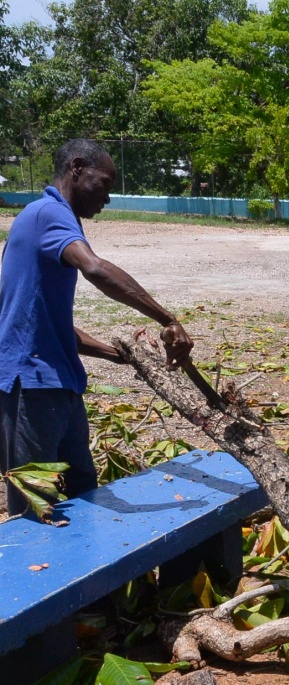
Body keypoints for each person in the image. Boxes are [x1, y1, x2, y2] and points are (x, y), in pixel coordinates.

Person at [0, 138, 194, 515]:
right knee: (36, 510)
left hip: (58, 385)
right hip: (33, 390)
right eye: (103, 184)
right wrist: (167, 318)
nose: (107, 198)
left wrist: (117, 355)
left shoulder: (41, 219)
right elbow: (95, 268)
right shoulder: (48, 213)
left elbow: (41, 324)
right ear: (76, 168)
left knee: (82, 495)